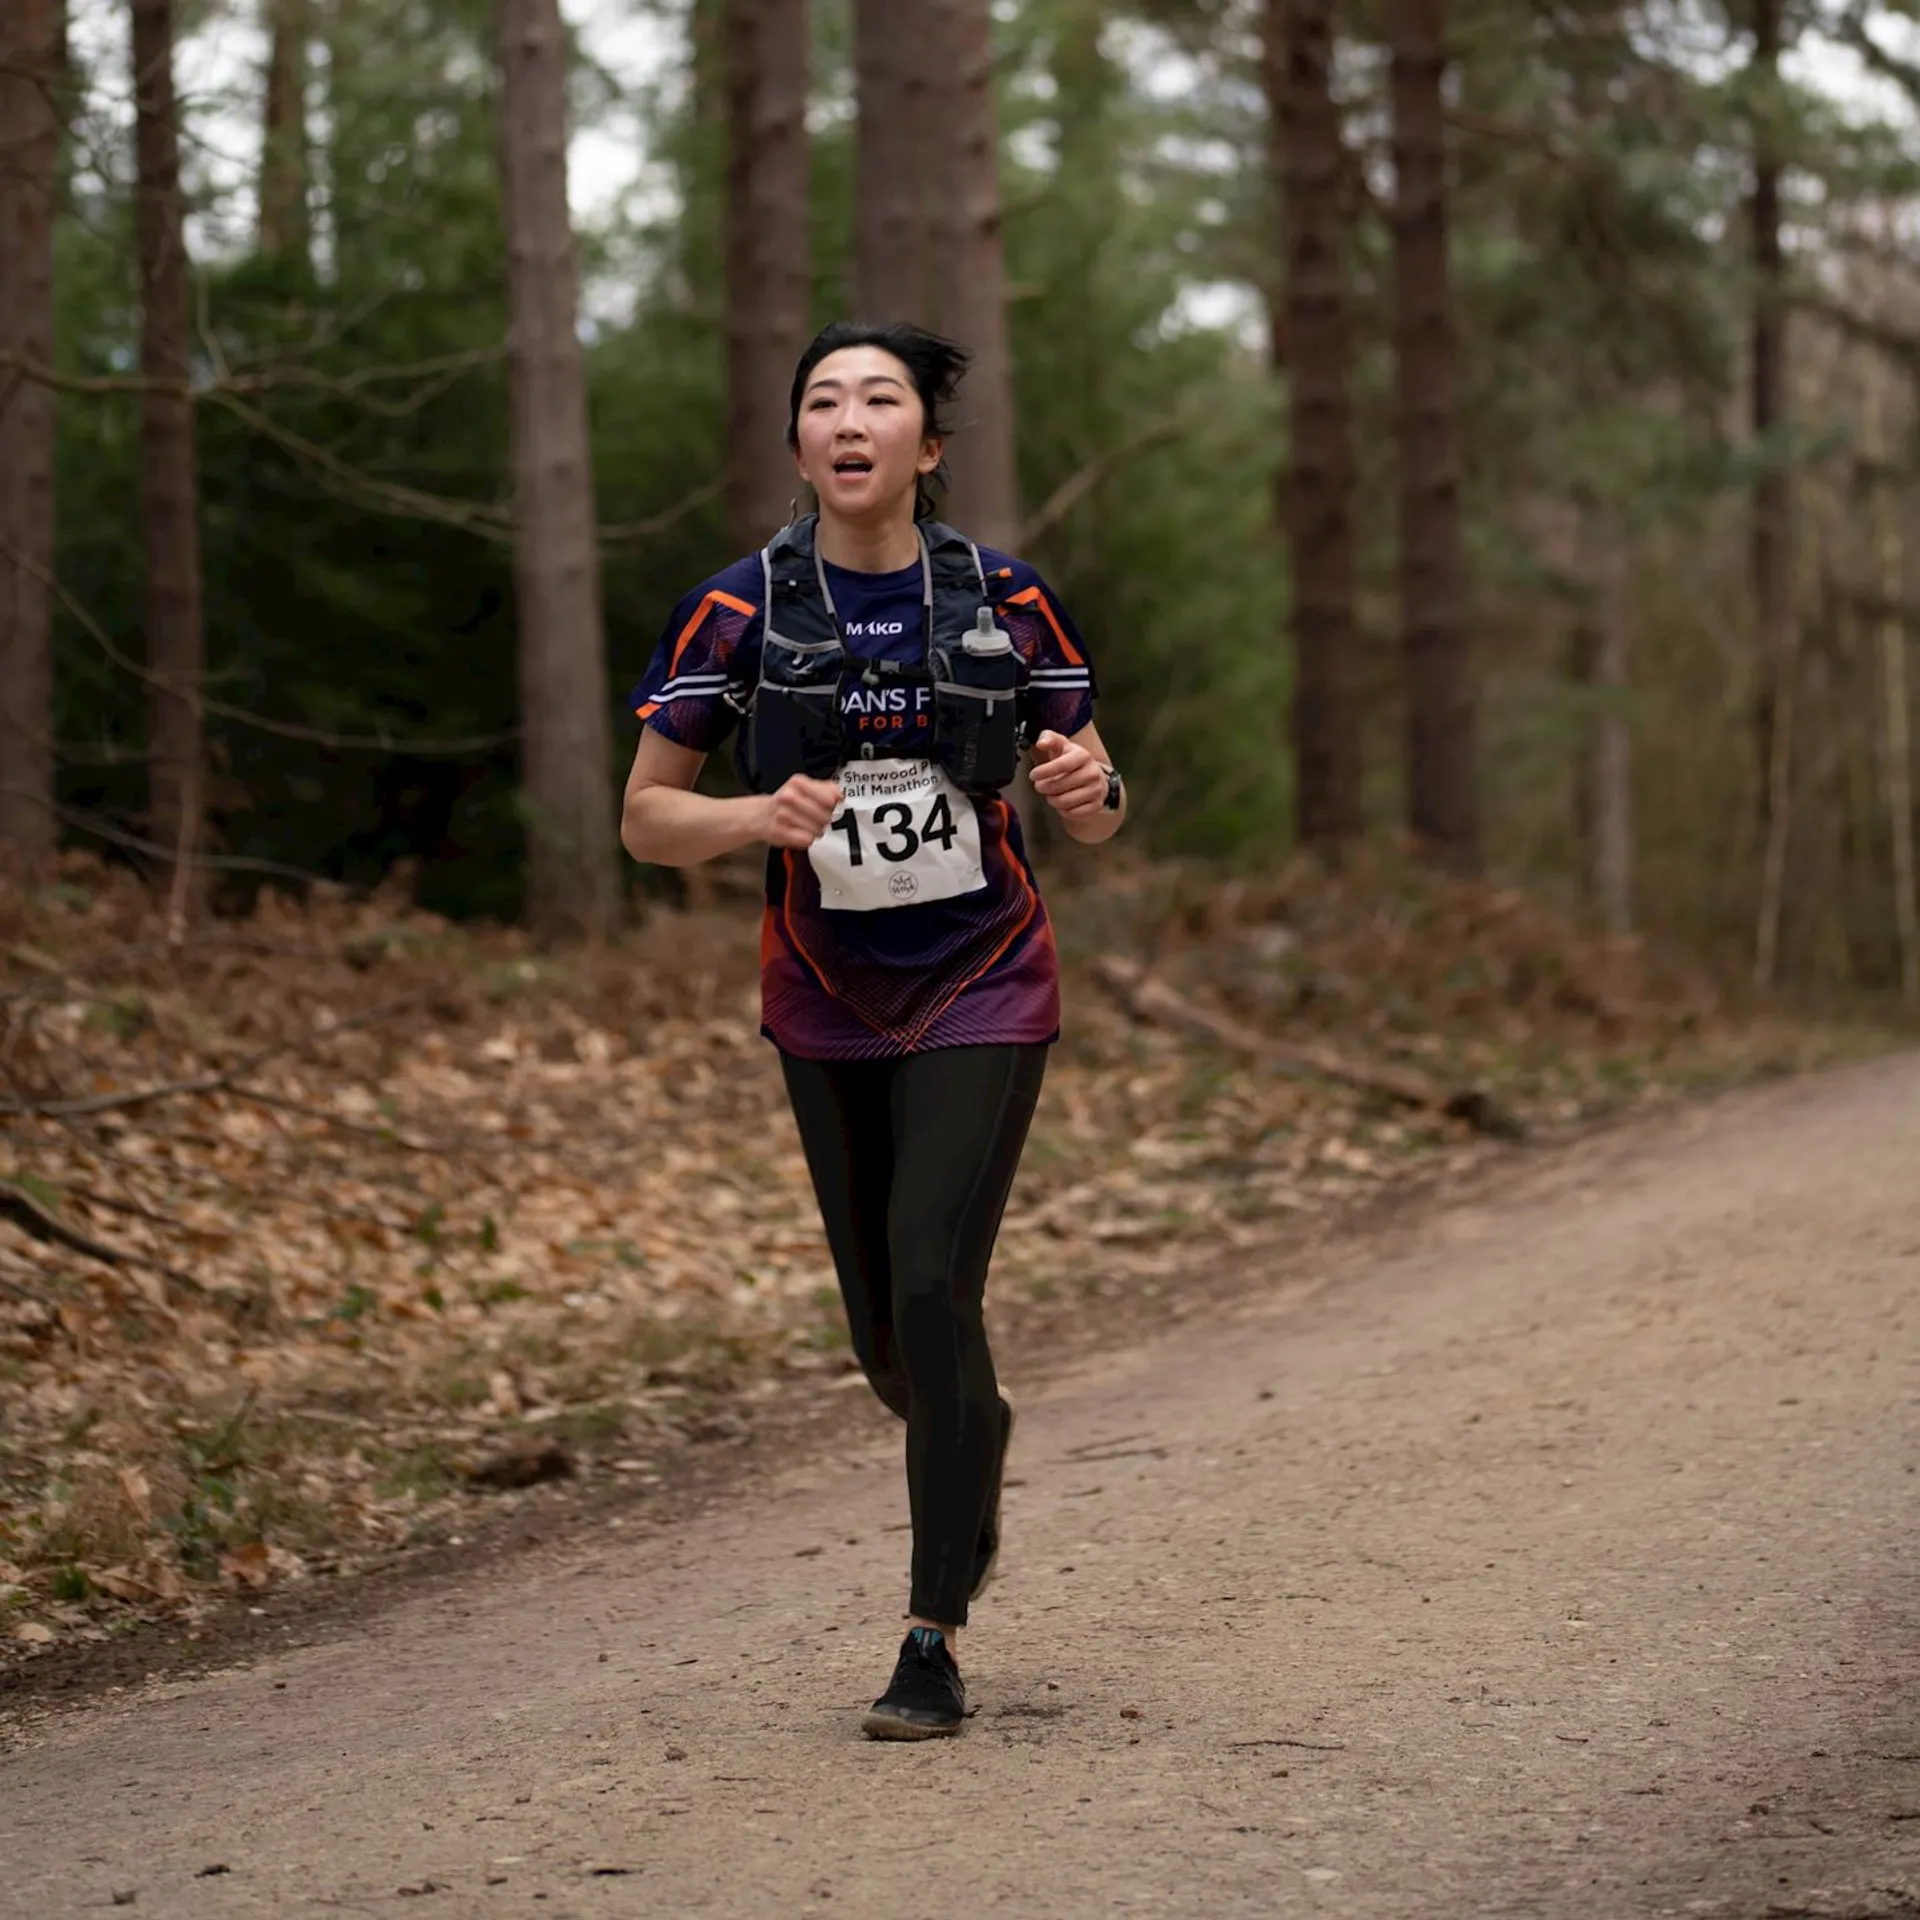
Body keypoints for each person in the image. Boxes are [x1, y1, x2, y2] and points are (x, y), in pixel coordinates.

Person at [620, 321, 1125, 1739]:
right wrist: (748, 816)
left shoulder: (1010, 601)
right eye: (823, 401)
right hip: (825, 996)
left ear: (928, 448)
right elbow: (645, 817)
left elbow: (1095, 789)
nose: (850, 420)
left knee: (927, 1278)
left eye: (880, 399)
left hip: (987, 976)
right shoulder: (733, 611)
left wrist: (1092, 793)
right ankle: (977, 1437)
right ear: (800, 446)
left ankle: (929, 1639)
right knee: (888, 1344)